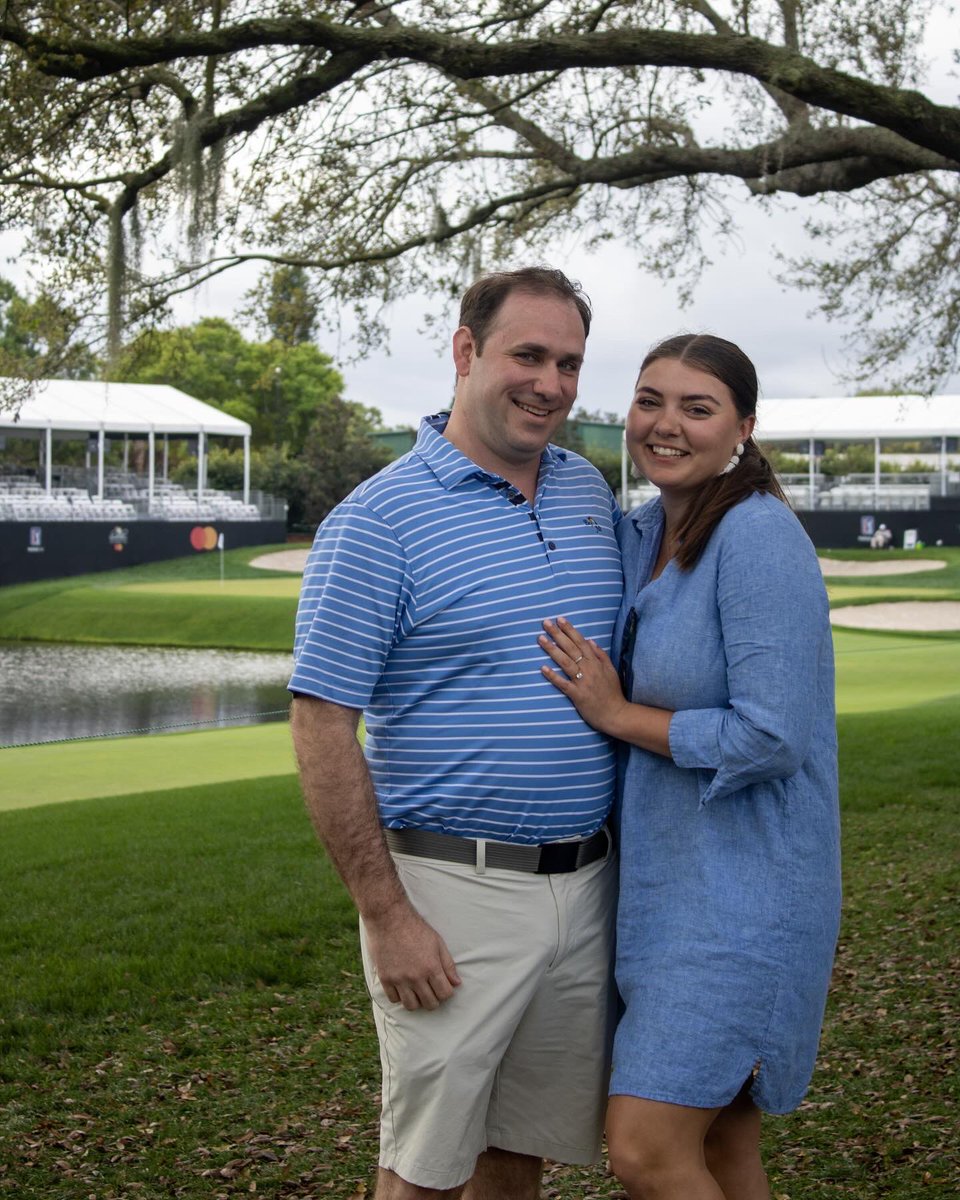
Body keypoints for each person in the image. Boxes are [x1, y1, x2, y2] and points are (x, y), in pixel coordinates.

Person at [288, 267, 623, 1199]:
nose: (550, 383)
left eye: (568, 362)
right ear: (466, 352)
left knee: (517, 1155)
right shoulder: (377, 523)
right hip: (450, 893)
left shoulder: (587, 494)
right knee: (426, 1169)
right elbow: (320, 728)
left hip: (586, 885)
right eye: (528, 355)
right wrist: (387, 916)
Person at [539, 333, 841, 1200]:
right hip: (659, 897)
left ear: (743, 427)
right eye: (649, 401)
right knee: (722, 1152)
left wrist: (617, 714)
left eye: (697, 408)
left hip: (747, 901)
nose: (666, 425)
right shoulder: (645, 534)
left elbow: (772, 735)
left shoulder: (756, 536)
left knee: (645, 1145)